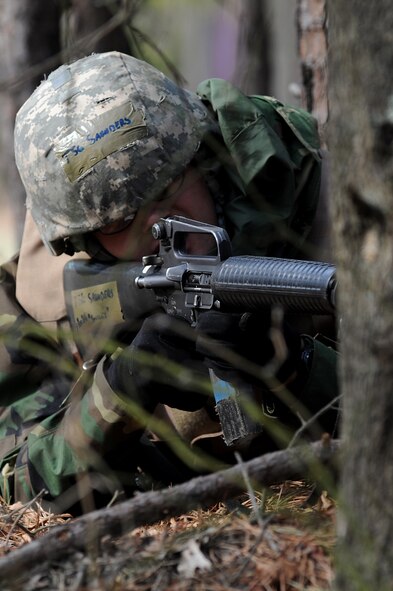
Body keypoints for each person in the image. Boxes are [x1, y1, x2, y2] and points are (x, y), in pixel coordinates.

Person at [0, 51, 339, 513]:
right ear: (83, 241)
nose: (159, 224)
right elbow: (14, 486)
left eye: (166, 188)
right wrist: (119, 391)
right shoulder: (42, 296)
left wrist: (294, 366)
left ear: (203, 157)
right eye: (121, 221)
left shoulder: (336, 213)